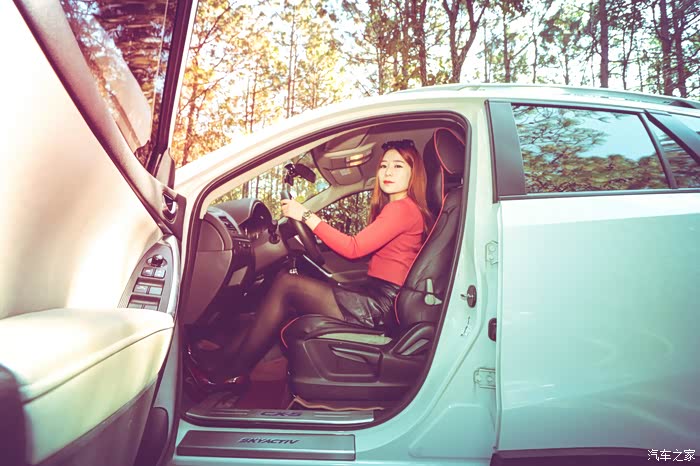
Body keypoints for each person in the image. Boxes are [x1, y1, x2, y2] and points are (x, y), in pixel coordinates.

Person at [186, 139, 433, 394]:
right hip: (378, 296)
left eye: (398, 166)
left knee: (287, 284)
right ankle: (224, 358)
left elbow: (353, 248)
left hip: (379, 306)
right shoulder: (402, 209)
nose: (388, 172)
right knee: (294, 282)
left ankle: (231, 372)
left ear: (413, 173)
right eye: (383, 166)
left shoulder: (402, 210)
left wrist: (304, 215)